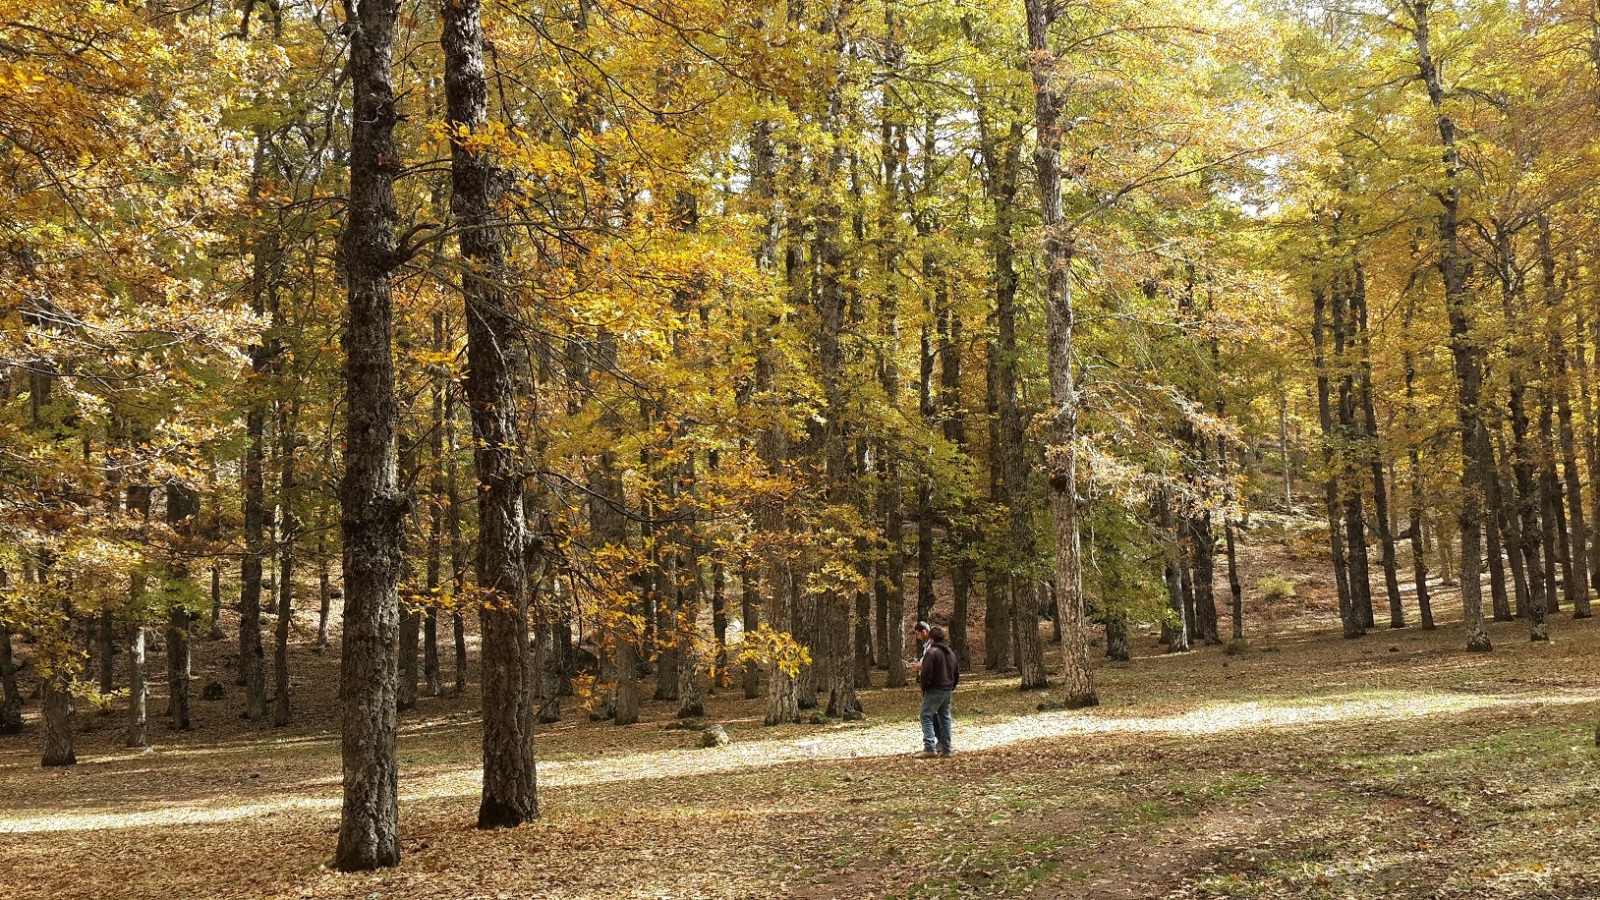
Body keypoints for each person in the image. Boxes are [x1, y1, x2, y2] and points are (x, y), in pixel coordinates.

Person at [910, 624, 958, 758]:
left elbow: (926, 672)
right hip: (947, 690)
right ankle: (947, 749)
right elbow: (956, 672)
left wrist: (925, 687)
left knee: (926, 716)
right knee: (945, 718)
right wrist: (951, 686)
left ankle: (929, 747)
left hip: (934, 689)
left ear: (931, 639)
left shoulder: (932, 653)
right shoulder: (950, 653)